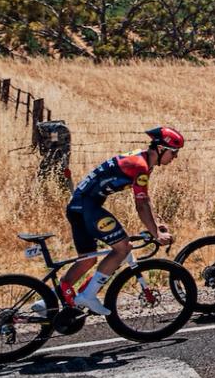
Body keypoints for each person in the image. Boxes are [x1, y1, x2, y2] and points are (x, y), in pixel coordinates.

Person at [61, 127, 184, 313]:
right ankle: (88, 296)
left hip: (79, 207)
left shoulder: (142, 160)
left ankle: (49, 302)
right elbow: (141, 205)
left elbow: (145, 199)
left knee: (87, 260)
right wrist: (156, 234)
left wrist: (156, 224)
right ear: (160, 149)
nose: (174, 158)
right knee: (123, 247)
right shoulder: (141, 167)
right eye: (173, 152)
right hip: (87, 207)